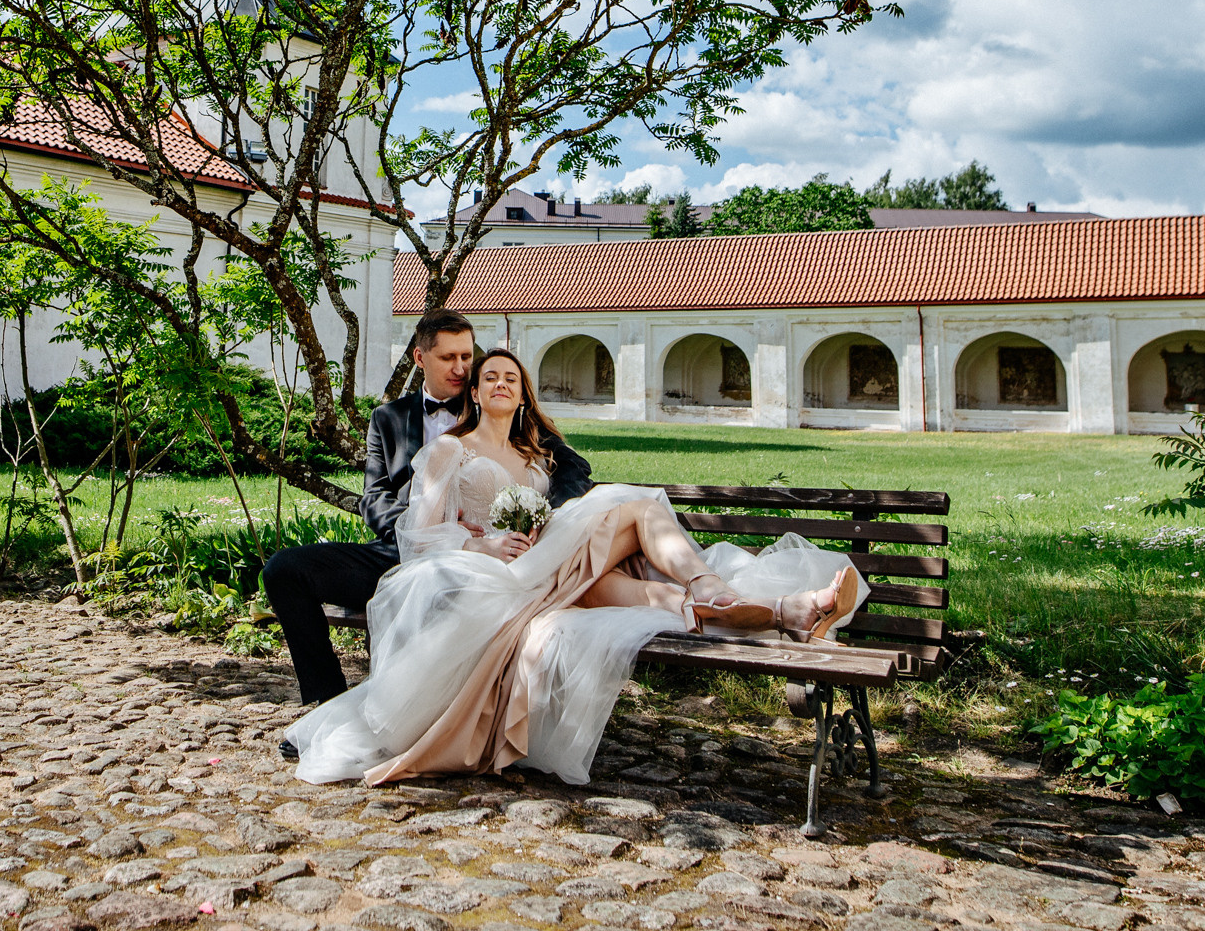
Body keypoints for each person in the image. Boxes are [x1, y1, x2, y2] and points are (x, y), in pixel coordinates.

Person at [283, 346, 864, 786]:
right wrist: (478, 546)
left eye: (513, 377)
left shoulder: (538, 459)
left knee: (616, 569)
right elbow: (415, 535)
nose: (502, 383)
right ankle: (730, 591)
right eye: (491, 377)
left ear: (524, 392)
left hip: (549, 565)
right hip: (492, 575)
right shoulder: (448, 450)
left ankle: (780, 611)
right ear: (476, 394)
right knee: (633, 510)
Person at [261, 310, 594, 708]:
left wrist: (538, 514)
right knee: (283, 571)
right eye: (448, 358)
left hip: (478, 563)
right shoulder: (388, 419)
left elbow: (575, 470)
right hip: (397, 550)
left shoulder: (502, 412)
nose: (461, 368)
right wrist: (420, 531)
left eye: (467, 357)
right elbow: (375, 495)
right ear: (420, 359)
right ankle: (326, 699)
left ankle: (403, 708)